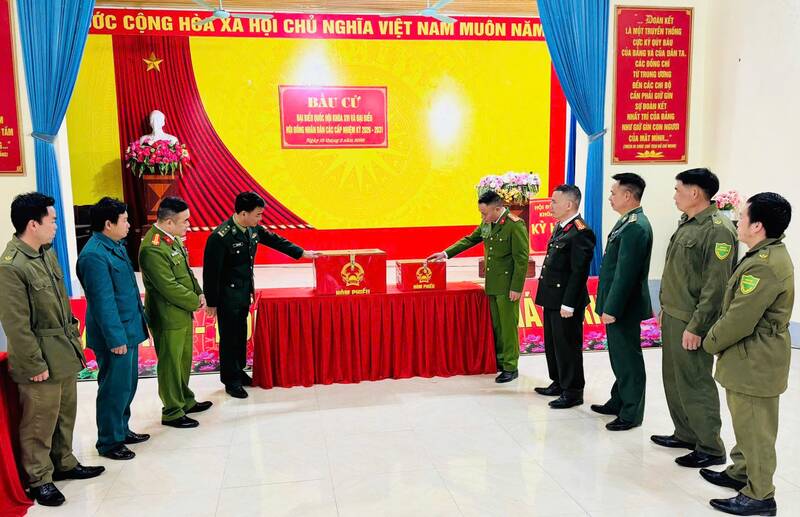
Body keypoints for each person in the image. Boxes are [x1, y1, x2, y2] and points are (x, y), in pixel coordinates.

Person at [0, 193, 104, 507]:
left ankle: (64, 462)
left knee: (64, 414)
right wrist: (34, 364)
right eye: (53, 220)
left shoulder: (45, 253)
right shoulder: (11, 266)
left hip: (62, 350)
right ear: (33, 224)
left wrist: (74, 340)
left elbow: (61, 301)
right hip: (39, 358)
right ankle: (39, 479)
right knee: (39, 422)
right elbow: (16, 325)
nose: (56, 225)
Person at [701, 193, 793, 517]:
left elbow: (739, 319)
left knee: (756, 430)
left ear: (757, 226)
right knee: (746, 422)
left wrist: (709, 342)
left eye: (742, 216)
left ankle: (760, 495)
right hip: (751, 356)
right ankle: (742, 472)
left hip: (755, 358)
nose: (737, 220)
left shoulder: (764, 265)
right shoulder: (763, 254)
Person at [652, 168, 737, 469]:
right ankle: (686, 433)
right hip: (674, 314)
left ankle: (710, 446)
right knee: (674, 379)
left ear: (695, 193)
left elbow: (715, 287)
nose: (674, 196)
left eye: (678, 190)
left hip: (692, 321)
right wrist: (665, 308)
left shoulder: (718, 230)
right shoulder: (688, 223)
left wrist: (698, 326)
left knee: (695, 382)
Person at [203, 191, 319, 398]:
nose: (260, 218)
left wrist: (301, 253)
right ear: (243, 213)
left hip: (244, 292)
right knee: (229, 338)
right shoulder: (220, 237)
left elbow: (275, 240)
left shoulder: (252, 228)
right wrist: (211, 302)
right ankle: (231, 380)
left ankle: (239, 371)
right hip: (227, 296)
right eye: (258, 214)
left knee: (240, 335)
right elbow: (211, 273)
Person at [427, 190, 529, 383]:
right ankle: (500, 360)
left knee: (508, 327)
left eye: (485, 213)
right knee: (497, 325)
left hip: (507, 286)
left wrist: (516, 287)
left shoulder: (515, 225)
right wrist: (445, 253)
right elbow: (470, 239)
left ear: (497, 209)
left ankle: (510, 366)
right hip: (493, 283)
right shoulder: (488, 223)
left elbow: (521, 259)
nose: (482, 217)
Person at [76, 197, 150, 460]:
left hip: (128, 329)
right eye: (125, 220)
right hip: (115, 336)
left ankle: (122, 428)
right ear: (108, 224)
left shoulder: (114, 246)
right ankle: (109, 441)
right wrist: (116, 339)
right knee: (113, 389)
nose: (129, 225)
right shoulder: (94, 255)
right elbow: (103, 303)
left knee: (127, 385)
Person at [139, 196, 212, 428]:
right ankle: (172, 410)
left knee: (183, 359)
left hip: (181, 311)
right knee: (170, 363)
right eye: (185, 221)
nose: (188, 225)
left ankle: (185, 401)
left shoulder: (173, 239)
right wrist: (194, 301)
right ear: (169, 222)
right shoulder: (153, 248)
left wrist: (199, 292)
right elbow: (167, 286)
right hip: (167, 315)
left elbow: (186, 272)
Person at [593, 173, 653, 431]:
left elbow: (625, 274)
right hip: (617, 303)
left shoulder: (636, 226)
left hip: (624, 307)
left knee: (628, 360)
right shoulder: (626, 222)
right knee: (619, 357)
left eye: (613, 193)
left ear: (628, 196)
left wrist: (612, 308)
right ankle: (618, 400)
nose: (610, 197)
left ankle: (631, 412)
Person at [533, 185, 595, 409]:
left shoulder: (580, 231)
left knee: (568, 346)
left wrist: (568, 303)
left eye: (554, 202)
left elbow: (579, 272)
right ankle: (558, 381)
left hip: (566, 302)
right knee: (553, 344)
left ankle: (573, 391)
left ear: (569, 204)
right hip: (552, 298)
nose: (550, 206)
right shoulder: (562, 227)